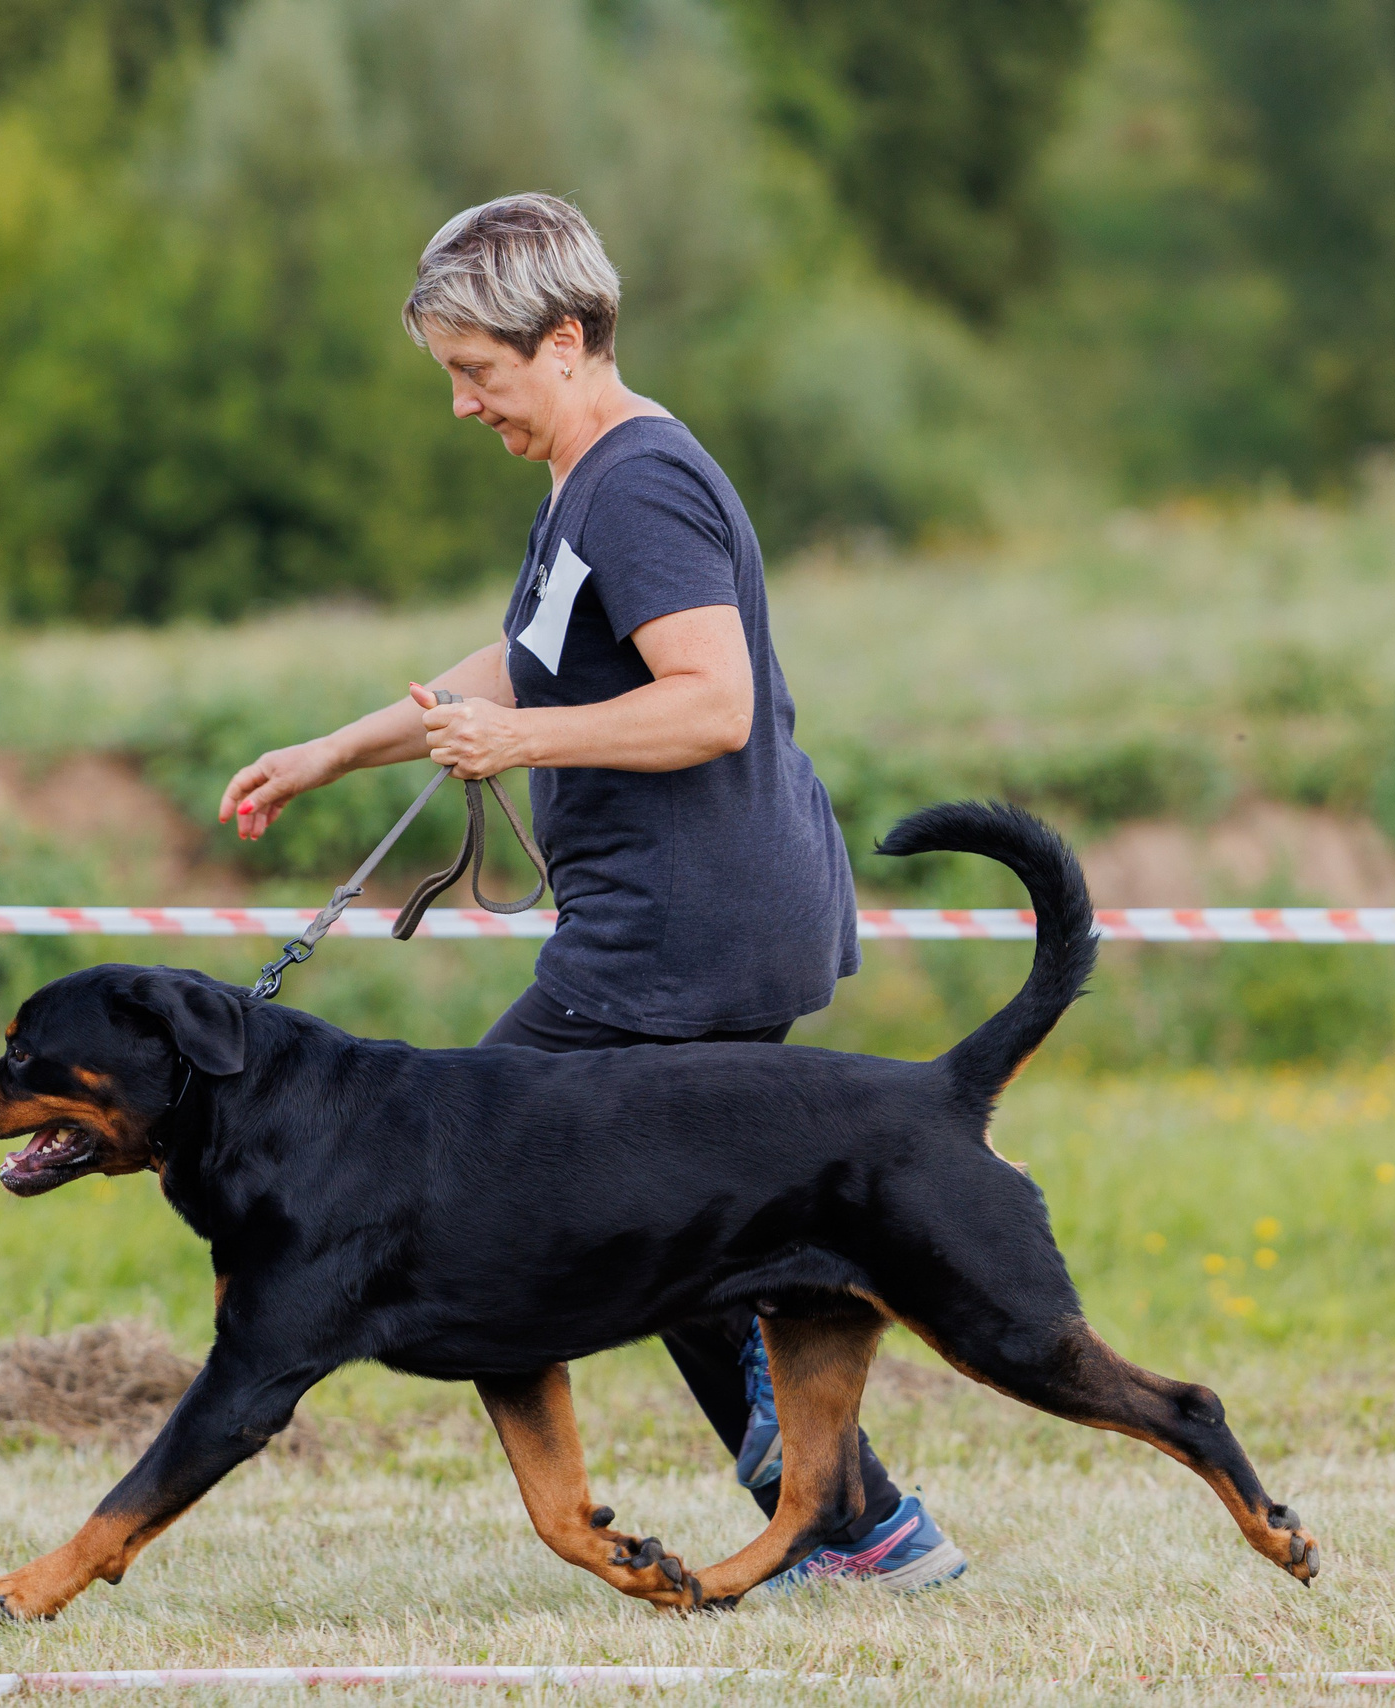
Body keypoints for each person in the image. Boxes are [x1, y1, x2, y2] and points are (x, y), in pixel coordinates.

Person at [215, 193, 963, 1591]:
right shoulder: (587, 478)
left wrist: (524, 747)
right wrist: (335, 751)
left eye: (474, 372)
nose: (459, 406)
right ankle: (857, 1526)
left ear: (563, 342)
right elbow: (525, 664)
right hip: (688, 924)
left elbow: (716, 701)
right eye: (449, 374)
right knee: (679, 1221)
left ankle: (852, 1525)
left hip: (693, 932)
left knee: (486, 1185)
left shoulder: (639, 484)